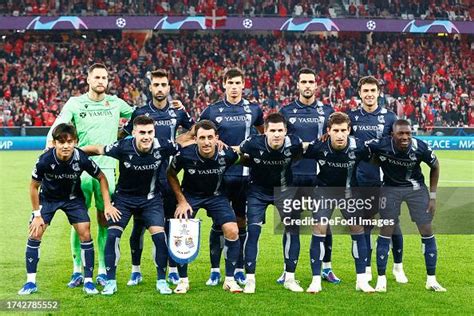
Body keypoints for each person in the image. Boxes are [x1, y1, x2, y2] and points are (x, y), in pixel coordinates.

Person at [46, 63, 133, 287]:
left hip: (108, 170)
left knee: (105, 219)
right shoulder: (75, 103)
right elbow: (58, 125)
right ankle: (78, 269)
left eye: (104, 77)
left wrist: (123, 133)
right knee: (79, 220)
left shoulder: (115, 103)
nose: (101, 81)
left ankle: (103, 269)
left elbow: (138, 117)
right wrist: (48, 145)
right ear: (88, 79)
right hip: (80, 171)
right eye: (97, 77)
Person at [81, 115, 178, 295]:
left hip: (151, 200)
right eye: (142, 132)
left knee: (159, 237)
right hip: (124, 201)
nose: (146, 136)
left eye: (150, 132)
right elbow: (97, 149)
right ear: (134, 133)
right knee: (113, 236)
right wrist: (75, 151)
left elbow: (186, 145)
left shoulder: (163, 145)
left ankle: (161, 281)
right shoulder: (123, 147)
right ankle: (111, 282)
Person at [18, 123, 116, 295]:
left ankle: (88, 281)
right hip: (48, 199)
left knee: (85, 232)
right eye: (61, 142)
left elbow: (101, 177)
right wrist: (37, 215)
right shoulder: (45, 160)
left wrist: (107, 204)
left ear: (75, 142)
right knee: (35, 232)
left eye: (70, 142)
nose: (66, 146)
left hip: (73, 199)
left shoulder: (81, 158)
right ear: (54, 143)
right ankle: (30, 282)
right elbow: (34, 187)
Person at [121, 69, 194, 286]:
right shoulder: (140, 113)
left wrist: (177, 142)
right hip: (143, 179)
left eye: (164, 85)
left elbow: (195, 132)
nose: (160, 88)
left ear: (169, 88)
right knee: (139, 226)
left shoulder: (177, 113)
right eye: (156, 85)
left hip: (169, 177)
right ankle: (136, 270)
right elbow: (125, 138)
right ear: (150, 87)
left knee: (171, 225)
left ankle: (172, 269)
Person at [198, 68, 264, 286]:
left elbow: (261, 134)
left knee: (241, 222)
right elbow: (198, 133)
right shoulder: (212, 110)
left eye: (238, 83)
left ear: (243, 85)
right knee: (219, 222)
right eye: (230, 83)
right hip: (220, 175)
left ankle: (238, 268)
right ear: (223, 85)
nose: (234, 87)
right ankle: (215, 270)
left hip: (246, 174)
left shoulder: (254, 110)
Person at [366, 119, 446, 292]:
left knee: (426, 230)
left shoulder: (420, 147)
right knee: (386, 230)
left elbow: (435, 165)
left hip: (415, 189)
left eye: (408, 133)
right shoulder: (381, 146)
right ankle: (381, 280)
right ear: (392, 135)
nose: (405, 137)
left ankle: (431, 280)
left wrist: (432, 196)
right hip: (390, 189)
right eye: (400, 133)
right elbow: (362, 148)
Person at [167, 120, 243, 293]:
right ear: (196, 139)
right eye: (202, 138)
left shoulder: (227, 154)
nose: (207, 142)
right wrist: (181, 201)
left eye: (210, 137)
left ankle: (230, 280)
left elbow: (244, 159)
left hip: (217, 197)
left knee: (232, 230)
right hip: (190, 197)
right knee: (181, 229)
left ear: (217, 138)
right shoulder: (185, 154)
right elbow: (171, 174)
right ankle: (183, 281)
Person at [278, 67, 339, 285]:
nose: (307, 85)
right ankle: (287, 270)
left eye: (310, 82)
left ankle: (327, 267)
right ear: (297, 85)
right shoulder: (286, 112)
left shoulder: (328, 111)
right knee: (290, 223)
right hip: (292, 176)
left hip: (321, 176)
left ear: (316, 85)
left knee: (324, 223)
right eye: (303, 81)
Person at [303, 112, 375, 293]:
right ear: (328, 131)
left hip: (349, 193)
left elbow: (373, 158)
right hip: (324, 192)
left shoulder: (359, 147)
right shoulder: (318, 146)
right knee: (319, 229)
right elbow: (298, 155)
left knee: (358, 230)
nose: (340, 134)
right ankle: (316, 280)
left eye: (344, 130)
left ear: (349, 130)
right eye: (336, 130)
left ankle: (361, 280)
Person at [235, 113, 305, 294]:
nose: (276, 134)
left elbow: (299, 154)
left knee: (292, 229)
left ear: (286, 131)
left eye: (280, 130)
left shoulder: (294, 143)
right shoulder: (253, 143)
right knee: (254, 230)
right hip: (257, 192)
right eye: (272, 130)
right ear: (265, 131)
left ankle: (289, 277)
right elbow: (239, 153)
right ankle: (250, 279)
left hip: (285, 191)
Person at [347, 76, 407, 283]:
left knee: (393, 223)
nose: (369, 94)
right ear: (360, 93)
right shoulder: (351, 117)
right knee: (364, 225)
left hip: (385, 181)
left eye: (373, 90)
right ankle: (366, 267)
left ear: (379, 92)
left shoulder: (390, 118)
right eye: (365, 90)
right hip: (359, 179)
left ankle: (398, 266)